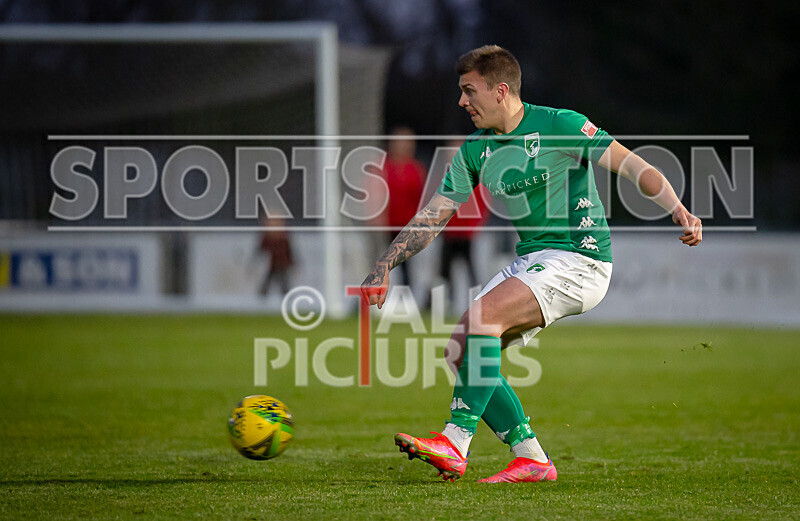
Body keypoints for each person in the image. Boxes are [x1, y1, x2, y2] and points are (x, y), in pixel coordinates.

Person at [360, 45, 702, 483]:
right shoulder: (475, 150)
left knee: (483, 319)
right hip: (535, 260)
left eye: (469, 91)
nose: (462, 101)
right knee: (460, 349)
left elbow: (634, 167)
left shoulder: (561, 125)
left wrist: (678, 208)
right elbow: (435, 214)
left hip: (581, 257)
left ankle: (454, 442)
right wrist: (385, 263)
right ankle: (532, 457)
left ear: (500, 91)